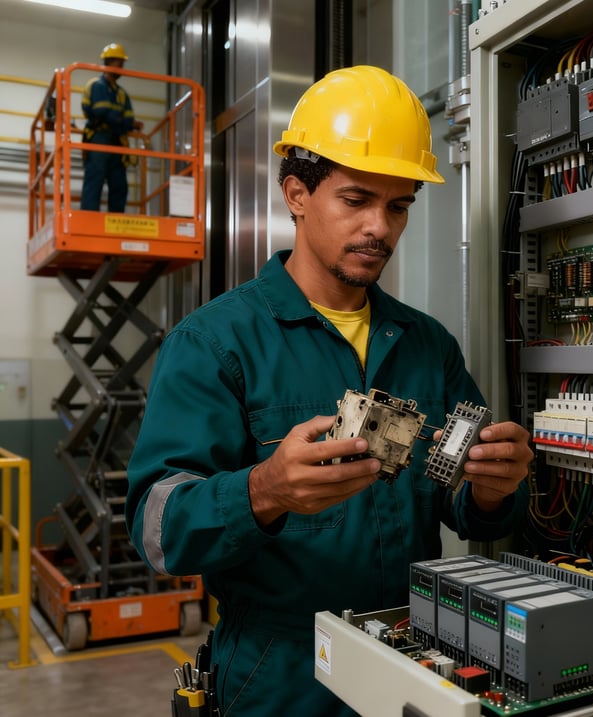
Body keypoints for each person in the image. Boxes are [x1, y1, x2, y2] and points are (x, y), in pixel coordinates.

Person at [125, 65, 533, 717]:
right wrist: (263, 490)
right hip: (278, 676)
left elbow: (464, 503)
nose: (381, 227)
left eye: (399, 205)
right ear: (297, 193)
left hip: (410, 658)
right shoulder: (215, 342)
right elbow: (155, 528)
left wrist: (491, 486)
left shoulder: (427, 344)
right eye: (357, 199)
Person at [80, 43, 143, 212]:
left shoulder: (122, 94)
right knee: (95, 179)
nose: (121, 66)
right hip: (99, 137)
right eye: (118, 62)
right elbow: (100, 112)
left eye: (122, 63)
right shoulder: (96, 85)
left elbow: (128, 118)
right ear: (108, 62)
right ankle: (89, 217)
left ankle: (117, 220)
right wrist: (123, 121)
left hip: (117, 141)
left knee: (119, 183)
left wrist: (121, 121)